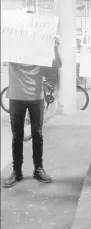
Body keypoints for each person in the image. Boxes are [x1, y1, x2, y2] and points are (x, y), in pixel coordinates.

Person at [3, 11, 62, 188]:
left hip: (36, 97)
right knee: (17, 136)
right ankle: (17, 171)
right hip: (16, 96)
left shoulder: (41, 48)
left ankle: (38, 168)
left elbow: (58, 65)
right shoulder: (12, 45)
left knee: (37, 134)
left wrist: (54, 47)